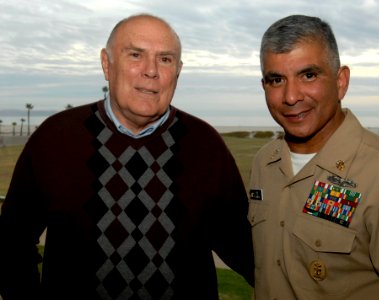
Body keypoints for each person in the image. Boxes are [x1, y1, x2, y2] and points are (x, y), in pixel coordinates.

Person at [0, 14, 254, 300]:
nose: (151, 71)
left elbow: (242, 246)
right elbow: (12, 242)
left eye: (165, 59)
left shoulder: (206, 145)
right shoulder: (54, 137)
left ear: (178, 71)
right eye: (136, 55)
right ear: (106, 64)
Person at [249, 14, 379, 299]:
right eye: (276, 79)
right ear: (264, 87)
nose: (291, 96)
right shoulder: (265, 162)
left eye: (308, 75)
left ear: (341, 81)